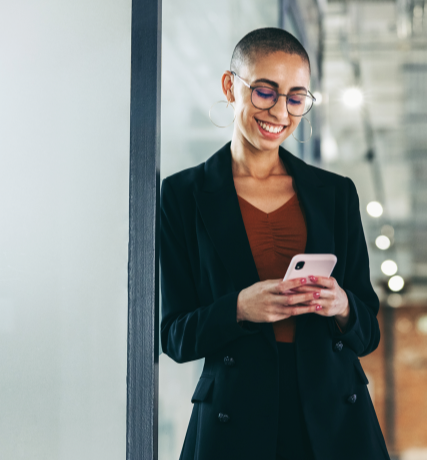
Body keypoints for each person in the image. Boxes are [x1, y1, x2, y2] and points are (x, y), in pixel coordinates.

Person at [159, 27, 390, 460]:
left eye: (296, 97)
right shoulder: (182, 195)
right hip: (235, 416)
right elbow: (174, 336)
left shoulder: (335, 193)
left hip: (333, 418)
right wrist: (239, 309)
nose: (280, 112)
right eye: (265, 92)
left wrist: (341, 305)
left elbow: (369, 332)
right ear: (231, 87)